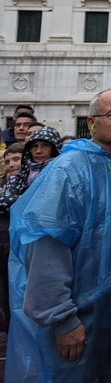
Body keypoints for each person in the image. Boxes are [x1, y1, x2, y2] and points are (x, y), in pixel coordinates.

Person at [7, 89, 111, 383]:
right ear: (91, 122)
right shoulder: (66, 171)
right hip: (79, 320)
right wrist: (62, 319)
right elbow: (46, 248)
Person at [0, 142, 24, 331]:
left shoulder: (31, 181)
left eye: (16, 159)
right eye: (7, 161)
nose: (11, 165)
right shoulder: (7, 183)